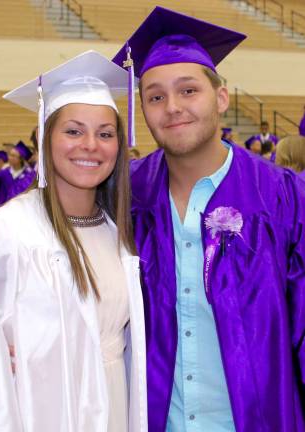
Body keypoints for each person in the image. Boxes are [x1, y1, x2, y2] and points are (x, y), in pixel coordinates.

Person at [113, 6, 305, 432]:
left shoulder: (283, 198)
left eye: (188, 90)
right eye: (155, 96)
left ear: (221, 98)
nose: (172, 107)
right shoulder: (125, 194)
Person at [0, 50, 147, 432]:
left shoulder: (119, 233)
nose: (91, 145)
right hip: (41, 413)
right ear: (46, 138)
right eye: (73, 131)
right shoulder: (8, 230)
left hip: (115, 407)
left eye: (105, 134)